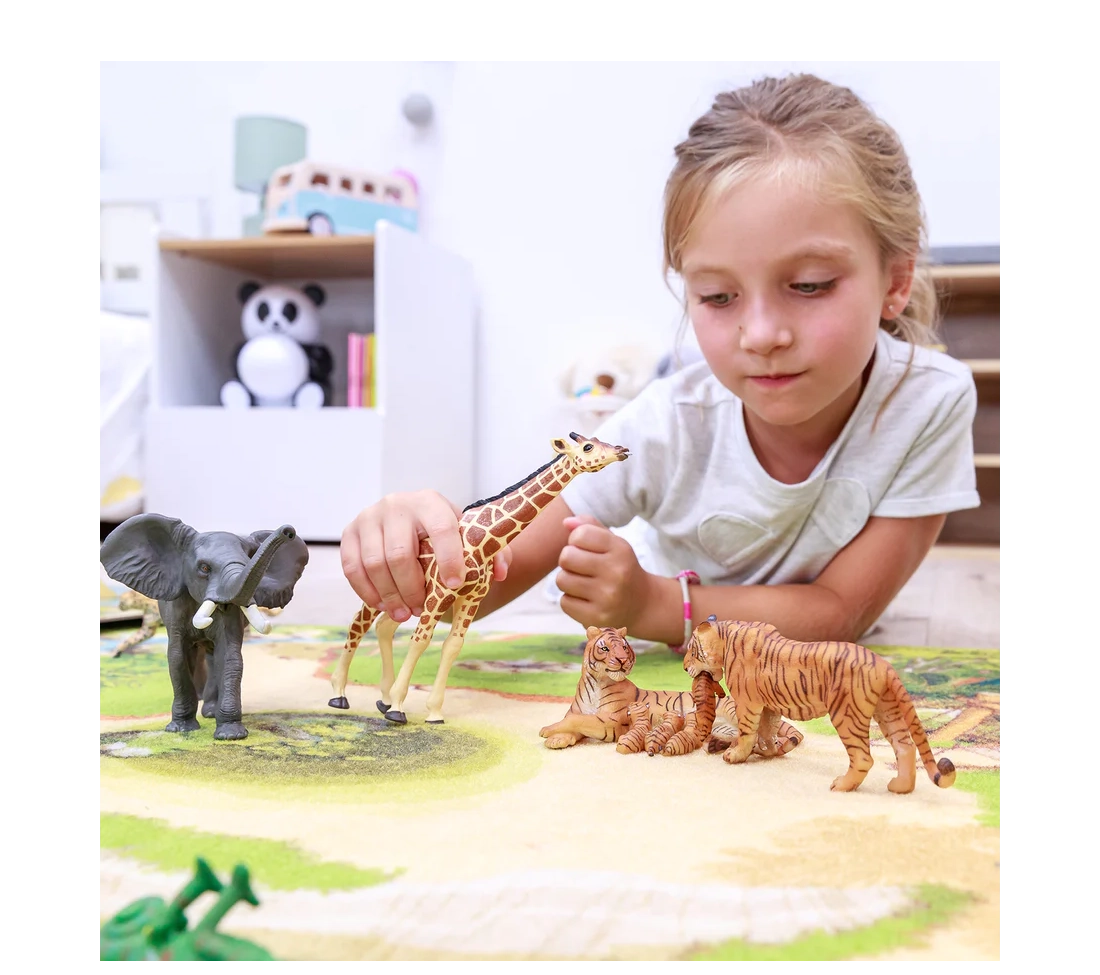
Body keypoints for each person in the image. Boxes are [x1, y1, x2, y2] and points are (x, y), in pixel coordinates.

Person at [340, 73, 980, 648]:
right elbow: (479, 583)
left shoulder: (931, 401)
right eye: (718, 296)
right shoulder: (665, 423)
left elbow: (839, 612)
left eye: (809, 285)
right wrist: (414, 546)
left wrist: (653, 606)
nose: (761, 335)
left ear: (897, 280)